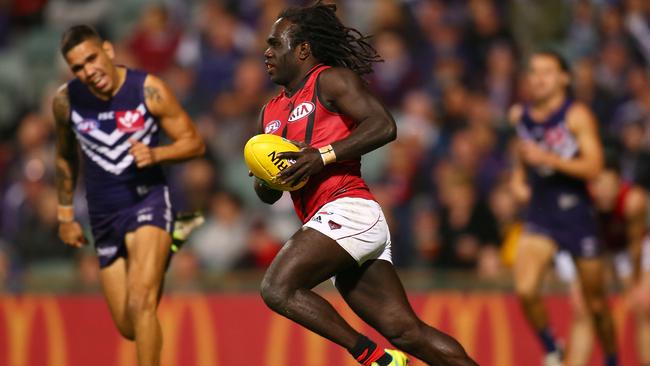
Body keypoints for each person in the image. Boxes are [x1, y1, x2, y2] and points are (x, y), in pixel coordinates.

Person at [252, 3, 477, 365]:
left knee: (276, 288)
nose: (266, 52)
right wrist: (265, 178)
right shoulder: (270, 112)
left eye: (275, 43)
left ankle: (374, 358)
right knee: (407, 332)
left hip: (349, 208)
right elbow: (269, 194)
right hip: (327, 222)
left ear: (303, 49)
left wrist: (321, 155)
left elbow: (384, 125)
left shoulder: (331, 80)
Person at [53, 25, 205, 366]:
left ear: (108, 50)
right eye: (78, 67)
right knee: (128, 326)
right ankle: (172, 241)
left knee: (142, 304)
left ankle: (164, 235)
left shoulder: (148, 89)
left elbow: (194, 142)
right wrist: (65, 216)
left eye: (92, 58)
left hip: (146, 199)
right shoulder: (66, 101)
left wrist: (158, 155)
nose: (88, 71)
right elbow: (63, 155)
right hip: (103, 214)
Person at [510, 50, 618, 366]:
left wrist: (550, 160)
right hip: (541, 212)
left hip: (576, 215)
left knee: (597, 305)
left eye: (547, 72)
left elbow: (595, 166)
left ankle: (612, 358)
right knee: (526, 289)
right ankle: (552, 348)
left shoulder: (576, 115)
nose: (538, 78)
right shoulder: (522, 116)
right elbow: (522, 154)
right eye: (534, 71)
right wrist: (518, 180)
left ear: (564, 79)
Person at [555, 155, 650, 366]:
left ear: (619, 183)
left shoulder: (634, 200)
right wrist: (580, 284)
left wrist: (636, 283)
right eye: (599, 184)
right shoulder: (579, 203)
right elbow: (579, 247)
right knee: (583, 308)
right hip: (590, 250)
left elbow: (635, 245)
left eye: (610, 185)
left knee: (645, 304)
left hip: (628, 249)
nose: (604, 192)